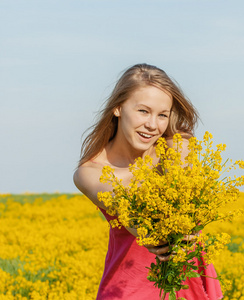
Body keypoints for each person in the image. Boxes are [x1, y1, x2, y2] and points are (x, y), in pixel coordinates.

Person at [73, 64, 223, 300]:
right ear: (118, 108)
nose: (153, 125)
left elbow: (188, 207)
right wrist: (156, 233)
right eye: (143, 111)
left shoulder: (177, 145)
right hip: (128, 290)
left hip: (191, 288)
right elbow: (136, 219)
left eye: (162, 115)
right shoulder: (90, 172)